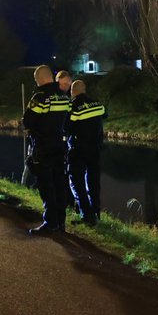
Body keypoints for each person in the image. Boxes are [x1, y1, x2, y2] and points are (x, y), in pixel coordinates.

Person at [22, 64, 71, 234]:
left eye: (36, 81)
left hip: (43, 146)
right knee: (59, 184)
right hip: (60, 145)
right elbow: (68, 120)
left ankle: (50, 223)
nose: (36, 83)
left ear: (41, 79)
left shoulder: (40, 96)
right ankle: (61, 222)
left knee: (46, 185)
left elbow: (27, 121)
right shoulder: (63, 96)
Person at [66, 79, 106, 226]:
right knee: (93, 182)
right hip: (95, 149)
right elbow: (104, 116)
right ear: (85, 90)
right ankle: (96, 212)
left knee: (76, 182)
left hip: (79, 150)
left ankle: (86, 215)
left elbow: (67, 127)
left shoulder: (73, 106)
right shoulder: (97, 104)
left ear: (72, 91)